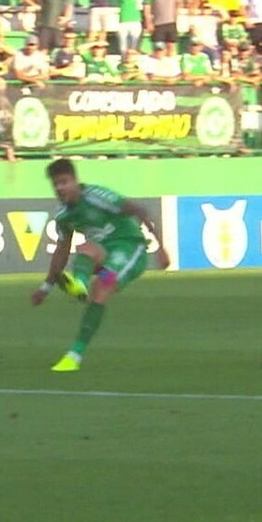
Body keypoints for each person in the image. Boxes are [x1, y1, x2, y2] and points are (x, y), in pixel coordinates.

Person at [31, 158, 170, 372]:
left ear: (76, 180)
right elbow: (61, 251)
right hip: (105, 257)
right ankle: (80, 288)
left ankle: (75, 351)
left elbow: (139, 210)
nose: (60, 188)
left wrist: (161, 248)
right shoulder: (64, 216)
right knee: (86, 251)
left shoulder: (98, 197)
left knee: (100, 285)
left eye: (64, 182)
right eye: (55, 184)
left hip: (130, 249)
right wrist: (45, 287)